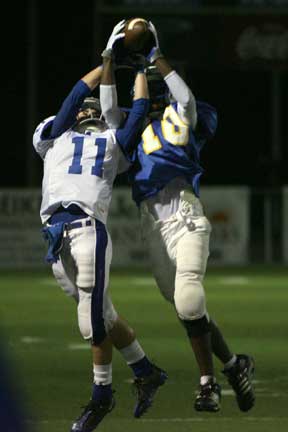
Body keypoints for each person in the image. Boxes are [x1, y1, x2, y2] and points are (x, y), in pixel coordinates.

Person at [105, 21, 255, 413]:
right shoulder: (134, 126)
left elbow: (185, 100)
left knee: (189, 299)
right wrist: (108, 58)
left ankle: (207, 385)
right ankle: (235, 365)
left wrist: (156, 56)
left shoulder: (183, 115)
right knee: (189, 309)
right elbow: (108, 112)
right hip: (152, 226)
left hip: (185, 215)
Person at [33, 21, 167, 432]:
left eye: (93, 108)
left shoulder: (112, 144)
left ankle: (101, 395)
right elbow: (74, 95)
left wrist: (141, 70)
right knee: (103, 315)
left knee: (90, 322)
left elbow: (139, 112)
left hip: (88, 230)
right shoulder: (53, 134)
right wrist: (106, 61)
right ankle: (146, 371)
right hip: (56, 237)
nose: (87, 108)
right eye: (83, 108)